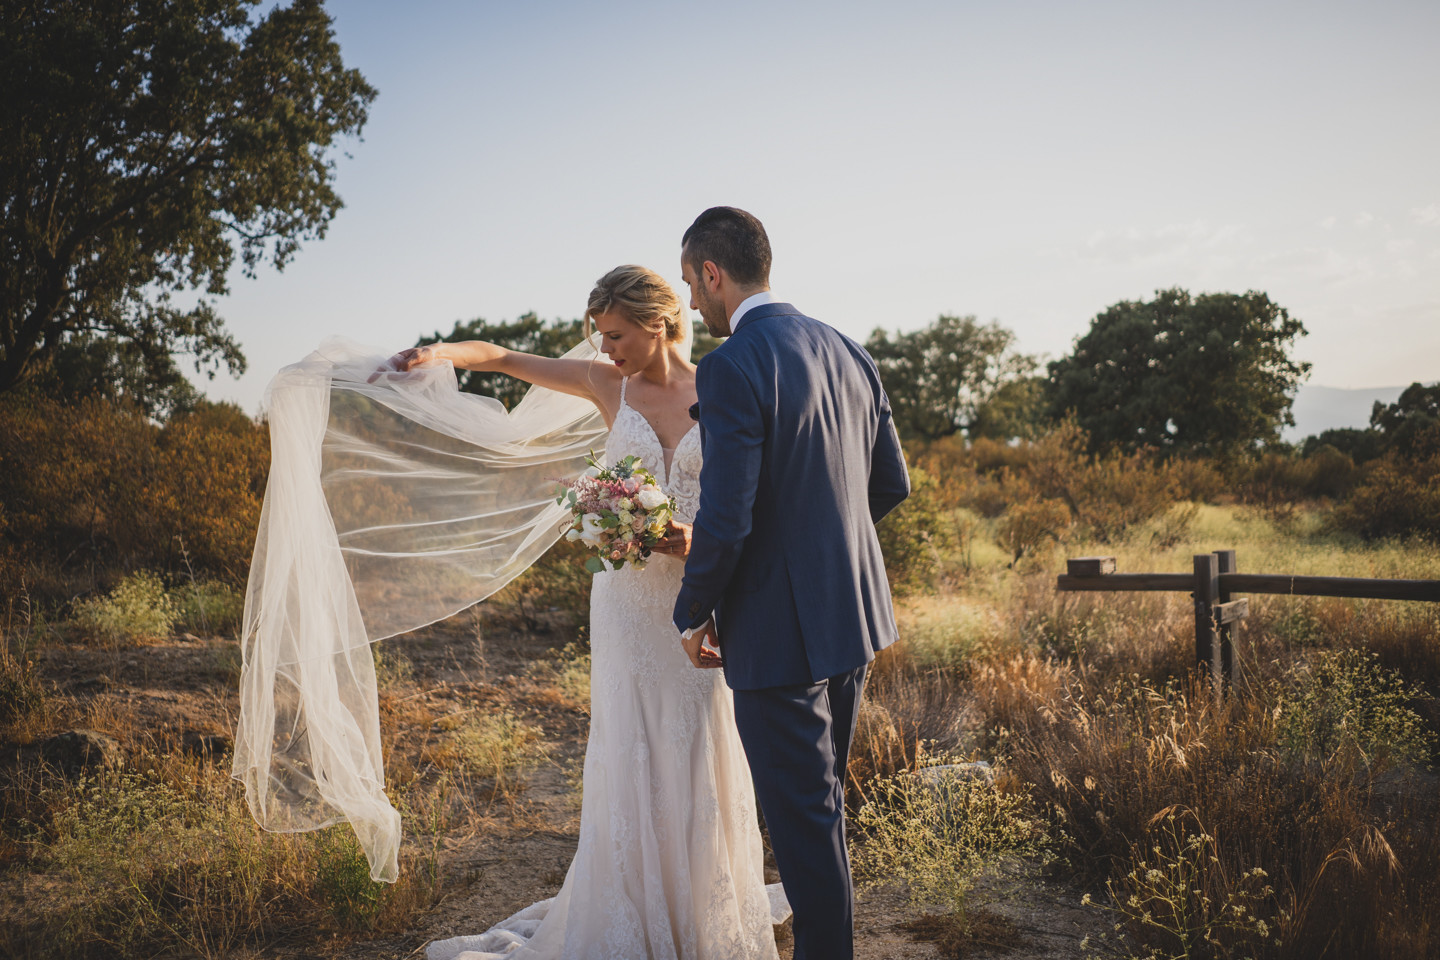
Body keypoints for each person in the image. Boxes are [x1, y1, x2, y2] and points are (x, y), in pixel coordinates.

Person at [406, 264, 785, 960]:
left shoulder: (722, 387)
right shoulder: (607, 384)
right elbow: (502, 358)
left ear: (657, 322)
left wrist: (697, 541)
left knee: (699, 744)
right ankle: (630, 915)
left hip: (698, 598)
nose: (604, 349)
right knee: (629, 749)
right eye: (598, 336)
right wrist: (441, 354)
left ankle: (701, 914)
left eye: (614, 335)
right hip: (625, 604)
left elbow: (757, 502)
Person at [672, 207, 911, 960]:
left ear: (714, 273)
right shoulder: (850, 349)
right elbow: (888, 484)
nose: (689, 305)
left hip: (780, 636)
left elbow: (728, 513)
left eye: (689, 284)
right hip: (855, 619)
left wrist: (693, 611)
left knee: (806, 823)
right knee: (821, 812)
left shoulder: (733, 363)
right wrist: (819, 551)